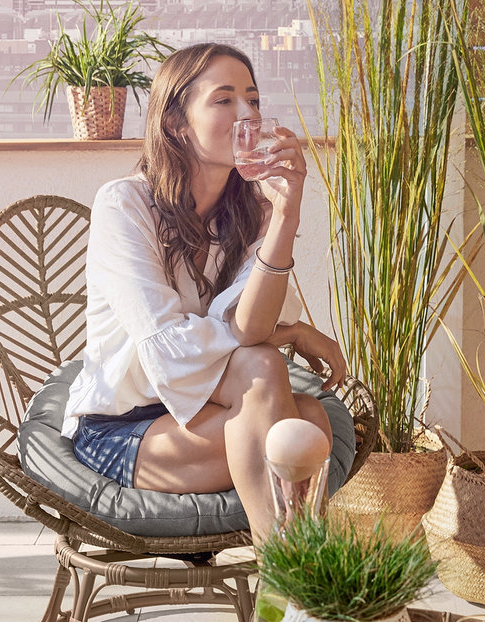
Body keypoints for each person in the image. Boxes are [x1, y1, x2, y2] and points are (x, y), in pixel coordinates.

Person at [61, 43, 347, 545]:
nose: (248, 116)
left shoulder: (253, 212)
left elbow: (251, 327)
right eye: (225, 100)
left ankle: (286, 591)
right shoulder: (124, 204)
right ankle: (295, 585)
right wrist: (287, 334)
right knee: (281, 397)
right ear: (176, 122)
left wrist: (286, 214)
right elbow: (167, 350)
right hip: (125, 428)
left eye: (254, 100)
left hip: (206, 418)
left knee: (305, 419)